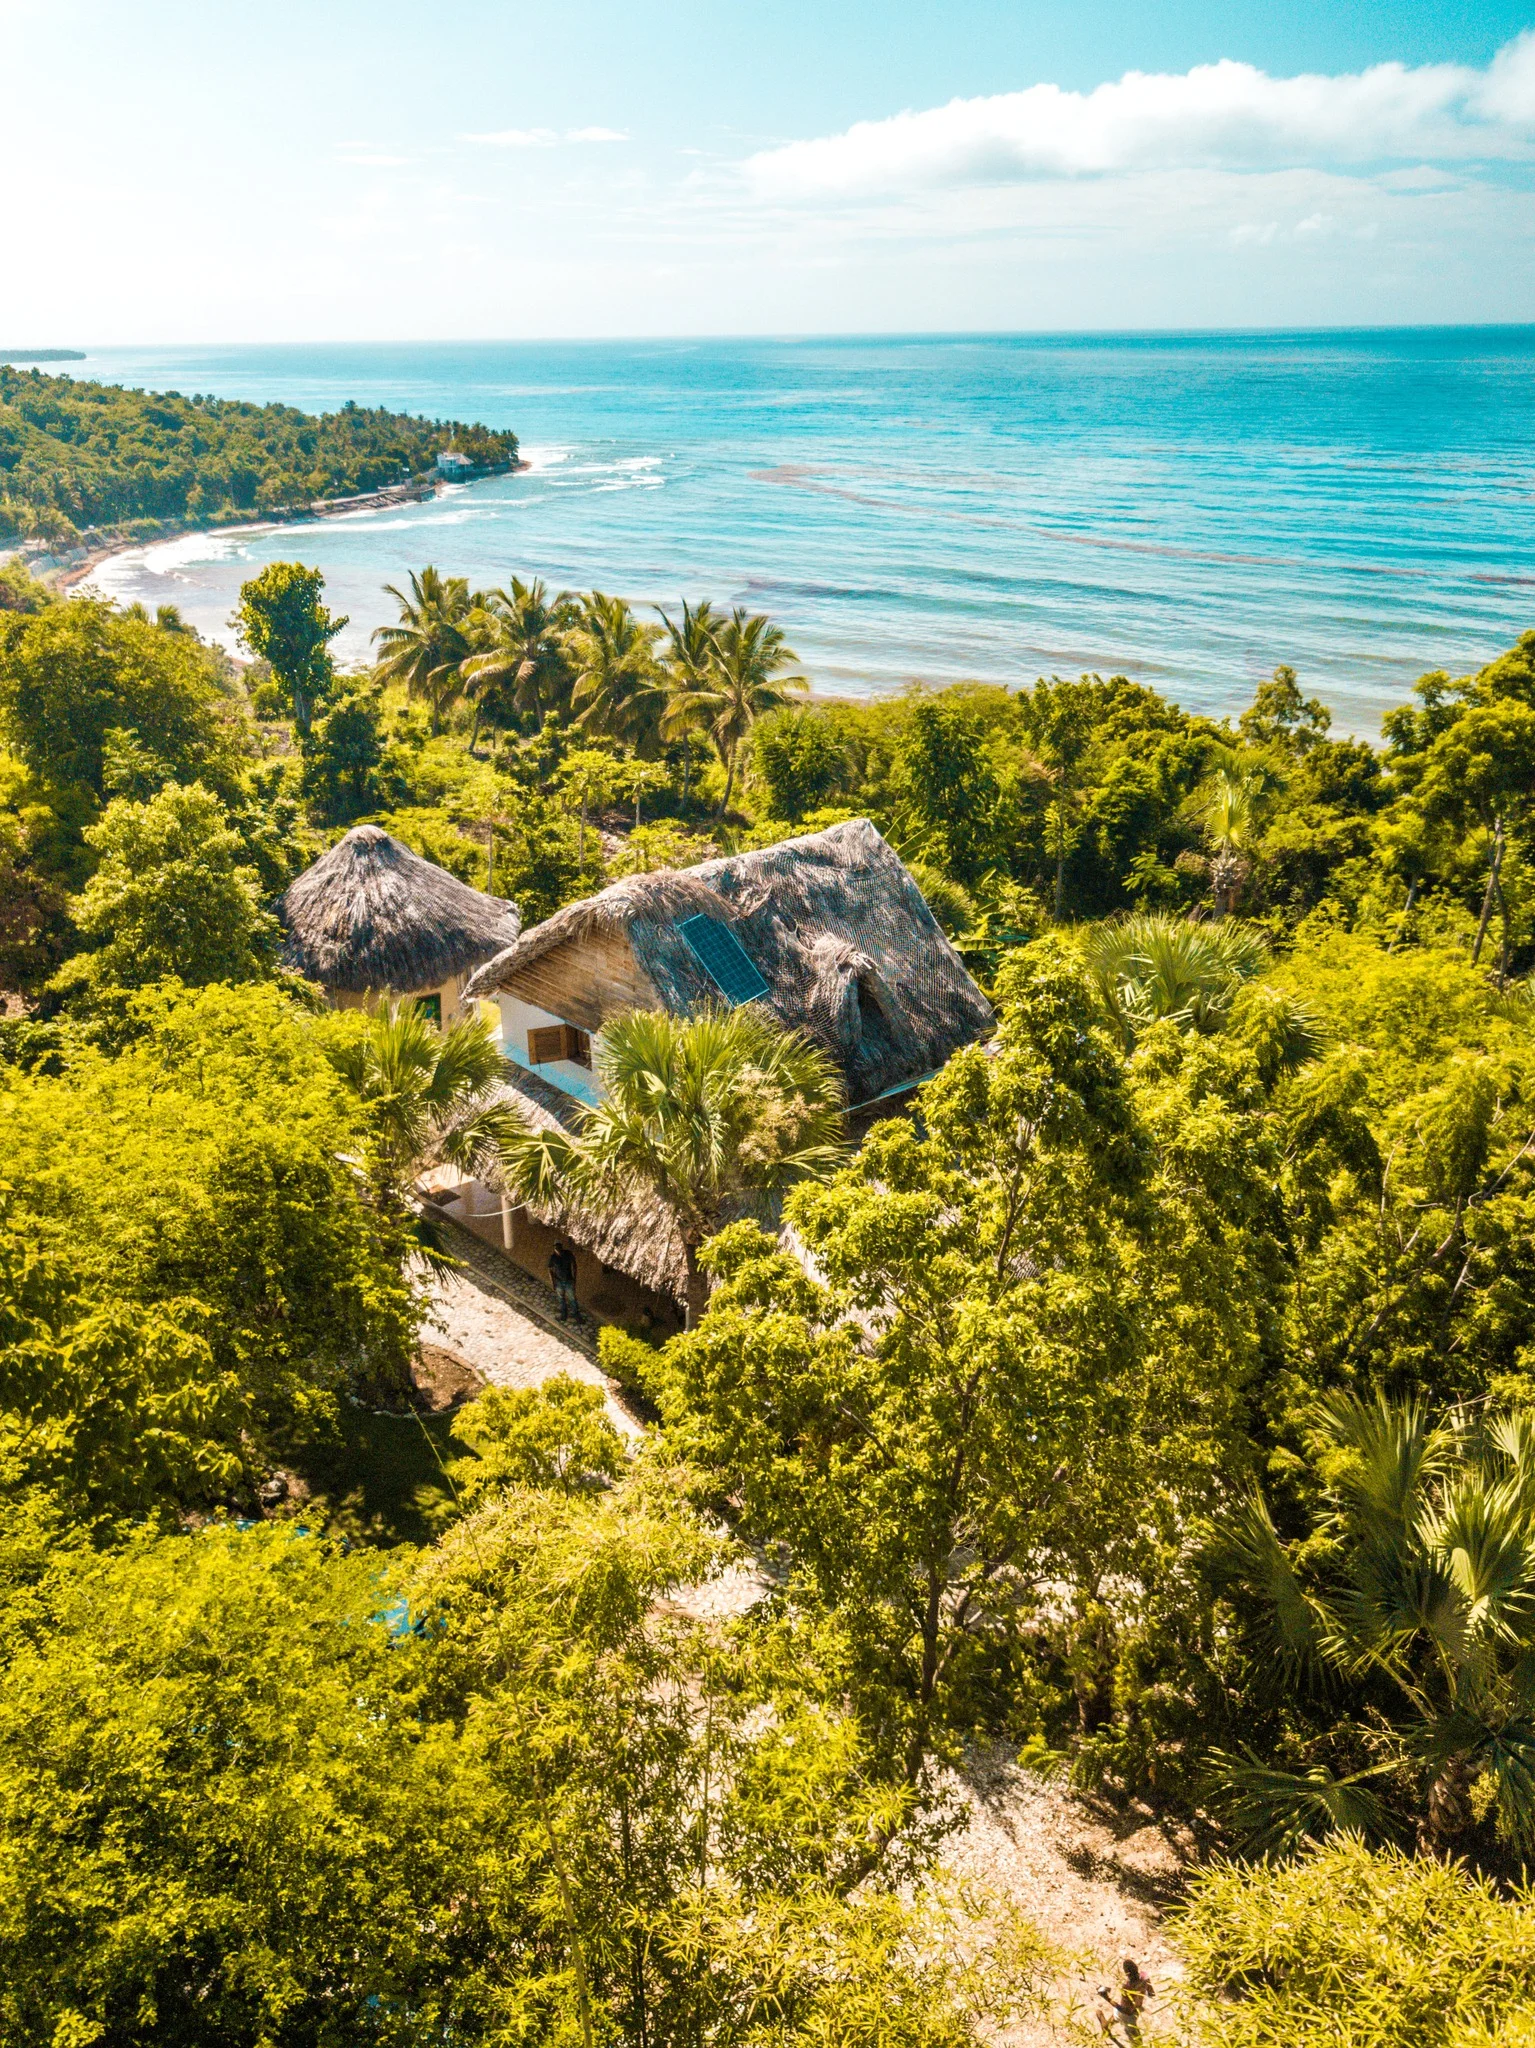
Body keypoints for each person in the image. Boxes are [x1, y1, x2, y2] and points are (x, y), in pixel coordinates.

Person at [1096, 1958, 1152, 2041]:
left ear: (1127, 1973)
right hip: (1137, 2009)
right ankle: (1104, 2025)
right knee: (1116, 2019)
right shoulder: (1145, 1976)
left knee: (1138, 2041)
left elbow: (1125, 2010)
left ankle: (1102, 2021)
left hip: (1128, 2015)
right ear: (1136, 1968)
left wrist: (1106, 1998)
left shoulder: (1127, 1987)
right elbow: (1151, 1993)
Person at [548, 1241, 581, 1325]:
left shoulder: (568, 1254)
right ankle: (564, 1315)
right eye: (556, 1248)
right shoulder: (553, 1258)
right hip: (558, 1281)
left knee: (572, 1299)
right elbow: (550, 1270)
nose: (557, 1249)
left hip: (569, 1280)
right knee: (561, 1299)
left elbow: (574, 1265)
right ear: (554, 1249)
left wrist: (574, 1279)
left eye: (558, 1247)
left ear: (561, 1247)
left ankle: (576, 1316)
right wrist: (553, 1282)